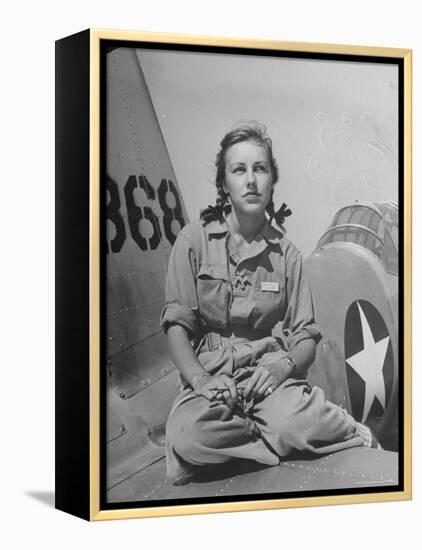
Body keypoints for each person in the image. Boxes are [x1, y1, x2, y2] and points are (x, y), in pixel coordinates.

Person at [160, 121, 379, 485]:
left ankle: (348, 429)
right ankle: (275, 437)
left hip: (267, 372)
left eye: (259, 169)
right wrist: (198, 380)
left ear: (271, 180)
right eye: (239, 170)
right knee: (189, 436)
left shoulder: (287, 254)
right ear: (224, 184)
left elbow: (305, 335)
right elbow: (176, 326)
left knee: (298, 421)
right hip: (211, 374)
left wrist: (283, 367)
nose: (250, 180)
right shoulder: (192, 240)